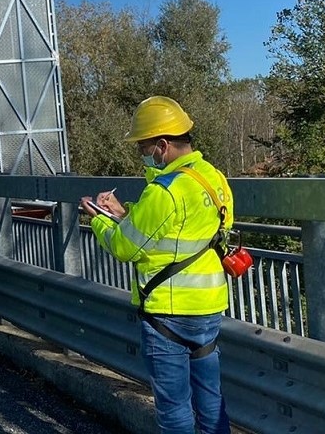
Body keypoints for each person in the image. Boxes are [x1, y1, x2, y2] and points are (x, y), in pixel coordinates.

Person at [83, 96, 233, 434]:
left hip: (167, 311)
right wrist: (122, 213)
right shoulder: (214, 179)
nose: (142, 154)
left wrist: (99, 221)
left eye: (143, 147)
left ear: (162, 145)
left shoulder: (164, 190)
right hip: (208, 307)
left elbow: (125, 247)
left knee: (174, 408)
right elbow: (186, 230)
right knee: (211, 401)